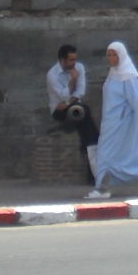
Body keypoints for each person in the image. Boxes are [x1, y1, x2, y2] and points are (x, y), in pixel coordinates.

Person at [86, 41, 138, 199]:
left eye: (114, 54)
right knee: (130, 154)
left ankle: (102, 188)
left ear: (121, 55)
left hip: (122, 123)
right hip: (111, 123)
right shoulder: (114, 73)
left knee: (105, 153)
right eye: (108, 55)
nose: (111, 58)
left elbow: (137, 100)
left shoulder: (128, 76)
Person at [47, 43, 100, 182]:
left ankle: (92, 168)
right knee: (86, 115)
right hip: (59, 111)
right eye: (71, 60)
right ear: (62, 60)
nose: (74, 63)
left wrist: (68, 103)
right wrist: (73, 80)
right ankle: (93, 170)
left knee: (85, 123)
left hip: (73, 106)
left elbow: (80, 91)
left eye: (75, 59)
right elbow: (63, 96)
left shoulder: (80, 68)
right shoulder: (52, 75)